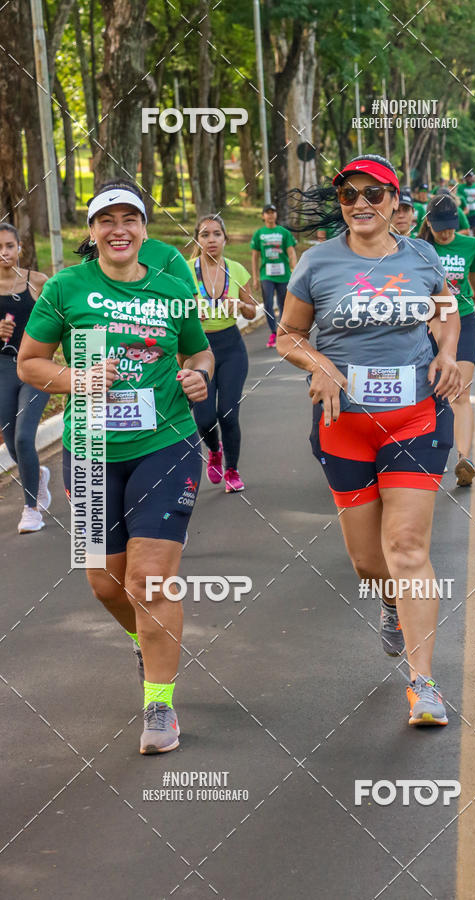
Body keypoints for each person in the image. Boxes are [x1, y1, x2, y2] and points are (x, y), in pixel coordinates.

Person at [18, 183, 214, 755]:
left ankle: (159, 705)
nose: (119, 229)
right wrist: (76, 380)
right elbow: (31, 362)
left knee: (147, 579)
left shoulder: (173, 286)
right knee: (104, 582)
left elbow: (197, 351)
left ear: (145, 229)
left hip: (166, 441)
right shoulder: (66, 287)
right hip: (93, 446)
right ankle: (145, 640)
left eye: (131, 218)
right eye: (108, 220)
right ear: (93, 231)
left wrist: (198, 374)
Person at [279, 154, 462, 727]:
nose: (360, 204)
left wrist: (449, 351)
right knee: (368, 562)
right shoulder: (318, 262)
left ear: (393, 201)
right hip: (345, 424)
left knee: (408, 547)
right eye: (348, 195)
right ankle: (389, 603)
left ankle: (424, 684)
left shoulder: (422, 256)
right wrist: (320, 365)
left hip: (415, 417)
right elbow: (287, 335)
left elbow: (448, 309)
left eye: (373, 194)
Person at [187, 214, 257, 492]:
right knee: (204, 417)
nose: (211, 239)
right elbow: (172, 310)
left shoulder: (237, 270)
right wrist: (192, 314)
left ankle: (232, 470)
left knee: (228, 413)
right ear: (198, 240)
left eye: (217, 234)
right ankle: (213, 449)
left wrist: (239, 307)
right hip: (198, 349)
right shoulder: (186, 272)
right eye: (205, 235)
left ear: (225, 238)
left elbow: (253, 311)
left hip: (231, 348)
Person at [419, 196, 475, 487]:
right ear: (428, 223)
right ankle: (429, 456)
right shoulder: (418, 248)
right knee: (432, 394)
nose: (446, 233)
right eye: (440, 228)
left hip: (465, 320)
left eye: (450, 228)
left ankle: (463, 459)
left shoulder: (470, 245)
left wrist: (470, 297)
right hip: (426, 326)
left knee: (460, 393)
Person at [0, 225, 50, 533]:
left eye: (9, 245)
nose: (3, 252)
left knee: (23, 436)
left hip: (36, 366)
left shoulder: (38, 282)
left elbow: (59, 321)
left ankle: (31, 509)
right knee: (11, 440)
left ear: (20, 248)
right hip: (2, 367)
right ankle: (38, 475)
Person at [251, 204, 297, 347]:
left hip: (284, 275)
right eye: (267, 212)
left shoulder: (283, 232)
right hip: (267, 275)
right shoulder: (259, 234)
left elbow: (291, 252)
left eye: (273, 212)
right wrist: (255, 277)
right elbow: (254, 257)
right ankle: (273, 332)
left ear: (276, 215)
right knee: (268, 304)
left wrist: (295, 270)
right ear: (263, 216)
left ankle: (283, 332)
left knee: (284, 304)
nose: (270, 215)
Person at [457, 172, 475, 238]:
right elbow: (458, 198)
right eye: (467, 177)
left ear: (473, 178)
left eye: (470, 177)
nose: (469, 178)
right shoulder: (461, 187)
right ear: (465, 178)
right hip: (465, 213)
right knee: (466, 231)